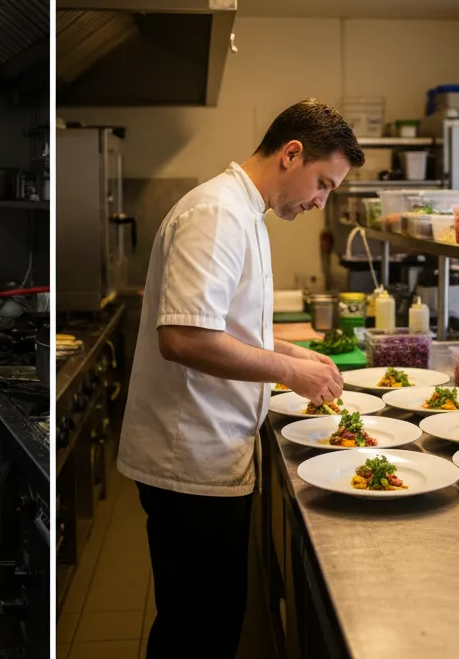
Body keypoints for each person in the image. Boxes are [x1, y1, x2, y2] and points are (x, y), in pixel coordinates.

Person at [117, 99, 365, 658]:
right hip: (190, 461)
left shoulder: (243, 211)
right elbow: (181, 339)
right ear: (291, 154)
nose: (320, 202)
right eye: (323, 185)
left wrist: (291, 352)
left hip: (210, 453)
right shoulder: (217, 213)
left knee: (210, 619)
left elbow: (221, 324)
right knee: (198, 630)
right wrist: (288, 373)